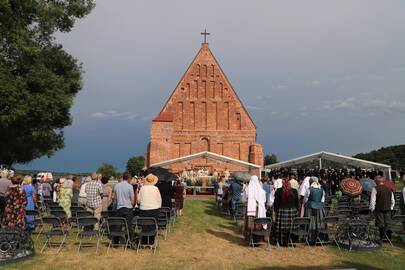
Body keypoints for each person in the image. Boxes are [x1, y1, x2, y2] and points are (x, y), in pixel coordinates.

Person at [274, 179, 299, 246]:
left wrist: (276, 211)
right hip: (292, 211)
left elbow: (276, 203)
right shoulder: (294, 191)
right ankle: (291, 241)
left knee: (282, 228)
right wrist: (296, 210)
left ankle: (281, 241)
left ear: (282, 183)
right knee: (291, 227)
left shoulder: (279, 190)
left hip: (282, 211)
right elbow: (297, 203)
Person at [370, 176, 395, 243]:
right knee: (387, 224)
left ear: (376, 181)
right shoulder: (389, 188)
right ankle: (388, 238)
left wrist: (372, 209)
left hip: (379, 209)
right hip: (388, 209)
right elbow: (393, 200)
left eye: (375, 181)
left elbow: (373, 201)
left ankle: (382, 239)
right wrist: (391, 208)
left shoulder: (375, 189)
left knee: (381, 224)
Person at [137, 173, 162, 243]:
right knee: (152, 225)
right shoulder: (156, 188)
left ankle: (144, 241)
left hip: (144, 209)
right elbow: (159, 199)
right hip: (154, 209)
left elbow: (138, 200)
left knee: (144, 225)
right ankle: (151, 241)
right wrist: (158, 207)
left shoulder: (142, 188)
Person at [112, 172, 135, 245]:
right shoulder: (129, 186)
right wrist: (132, 205)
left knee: (118, 225)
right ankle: (129, 241)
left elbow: (114, 198)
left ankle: (116, 242)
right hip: (128, 208)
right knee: (128, 226)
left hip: (119, 207)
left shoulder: (116, 185)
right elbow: (132, 198)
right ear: (128, 178)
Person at [304, 177, 325, 243]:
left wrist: (306, 204)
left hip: (310, 208)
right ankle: (319, 237)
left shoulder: (309, 189)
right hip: (320, 209)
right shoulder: (322, 190)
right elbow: (322, 200)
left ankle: (310, 238)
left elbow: (305, 200)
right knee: (319, 222)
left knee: (311, 222)